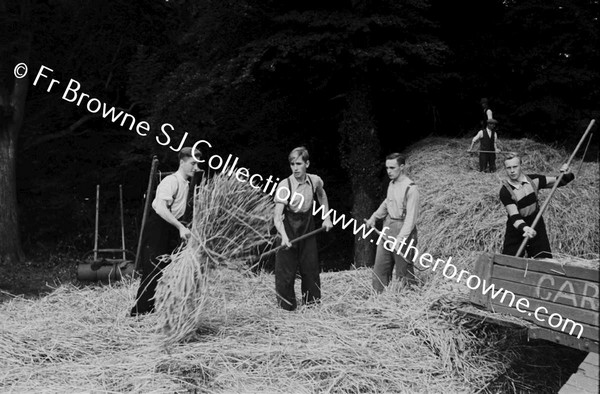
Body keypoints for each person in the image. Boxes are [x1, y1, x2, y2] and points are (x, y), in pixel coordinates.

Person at [130, 147, 200, 316]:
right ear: (182, 162)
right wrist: (181, 227)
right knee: (153, 270)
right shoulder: (171, 181)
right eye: (192, 163)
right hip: (158, 227)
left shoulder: (188, 185)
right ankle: (139, 313)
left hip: (172, 229)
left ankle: (161, 308)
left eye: (197, 164)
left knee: (171, 270)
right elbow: (161, 208)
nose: (195, 168)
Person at [273, 147, 333, 311]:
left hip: (307, 227)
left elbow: (321, 195)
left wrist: (326, 217)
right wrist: (284, 237)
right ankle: (286, 308)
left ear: (307, 163)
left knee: (310, 268)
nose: (295, 168)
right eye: (292, 164)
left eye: (299, 164)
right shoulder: (285, 185)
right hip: (287, 230)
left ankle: (312, 306)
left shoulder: (314, 181)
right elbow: (277, 217)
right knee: (285, 272)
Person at [499, 154, 574, 259]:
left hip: (536, 221)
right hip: (517, 227)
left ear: (521, 165)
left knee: (543, 258)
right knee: (509, 260)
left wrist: (568, 173)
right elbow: (514, 216)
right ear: (505, 169)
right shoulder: (505, 191)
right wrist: (525, 228)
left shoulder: (534, 180)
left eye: (515, 167)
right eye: (508, 168)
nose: (512, 171)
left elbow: (560, 181)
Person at [366, 153, 420, 293]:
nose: (389, 171)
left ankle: (409, 298)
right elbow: (387, 202)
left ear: (402, 167)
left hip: (403, 231)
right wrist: (374, 217)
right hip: (388, 227)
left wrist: (400, 240)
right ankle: (378, 299)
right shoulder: (392, 183)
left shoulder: (411, 188)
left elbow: (411, 219)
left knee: (404, 271)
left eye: (392, 167)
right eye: (387, 168)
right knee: (380, 267)